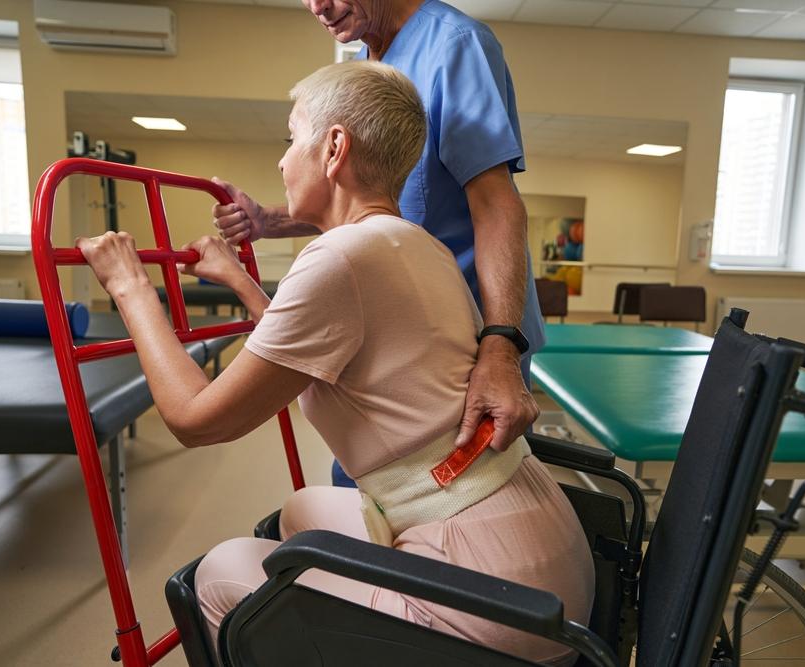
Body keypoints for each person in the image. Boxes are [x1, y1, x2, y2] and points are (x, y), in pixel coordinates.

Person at [78, 61, 593, 665]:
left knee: (221, 574)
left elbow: (197, 420)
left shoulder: (340, 259)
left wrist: (131, 288)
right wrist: (244, 283)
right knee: (304, 510)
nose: (281, 160)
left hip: (497, 607)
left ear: (333, 147)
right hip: (547, 561)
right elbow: (326, 343)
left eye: (292, 137)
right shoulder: (414, 243)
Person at [211, 0, 544, 486]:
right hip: (388, 332)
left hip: (457, 341)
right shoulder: (370, 61)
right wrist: (267, 221)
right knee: (365, 491)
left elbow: (495, 204)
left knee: (425, 503)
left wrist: (500, 347)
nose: (318, 6)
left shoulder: (453, 46)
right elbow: (368, 203)